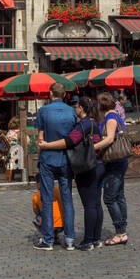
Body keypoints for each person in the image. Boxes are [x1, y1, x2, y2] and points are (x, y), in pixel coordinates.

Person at [38, 95, 103, 250]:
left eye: (77, 107)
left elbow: (69, 141)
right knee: (96, 204)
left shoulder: (83, 125)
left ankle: (87, 241)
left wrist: (47, 145)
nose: (75, 109)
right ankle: (96, 238)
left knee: (89, 206)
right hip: (99, 165)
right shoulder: (95, 123)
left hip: (86, 167)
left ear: (81, 108)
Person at [34, 89, 77, 250]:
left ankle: (48, 239)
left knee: (47, 199)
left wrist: (39, 157)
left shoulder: (44, 111)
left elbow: (40, 138)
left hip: (48, 158)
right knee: (67, 199)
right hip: (66, 159)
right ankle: (70, 239)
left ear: (51, 93)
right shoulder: (71, 112)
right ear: (64, 94)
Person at [94, 93, 129, 245]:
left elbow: (109, 139)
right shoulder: (116, 116)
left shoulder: (111, 118)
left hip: (115, 160)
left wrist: (92, 147)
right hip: (120, 160)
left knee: (109, 198)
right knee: (119, 195)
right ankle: (122, 229)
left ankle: (120, 232)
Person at [5, 117, 23, 182]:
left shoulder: (9, 132)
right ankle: (28, 176)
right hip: (17, 154)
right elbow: (28, 141)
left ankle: (11, 176)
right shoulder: (18, 132)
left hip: (10, 153)